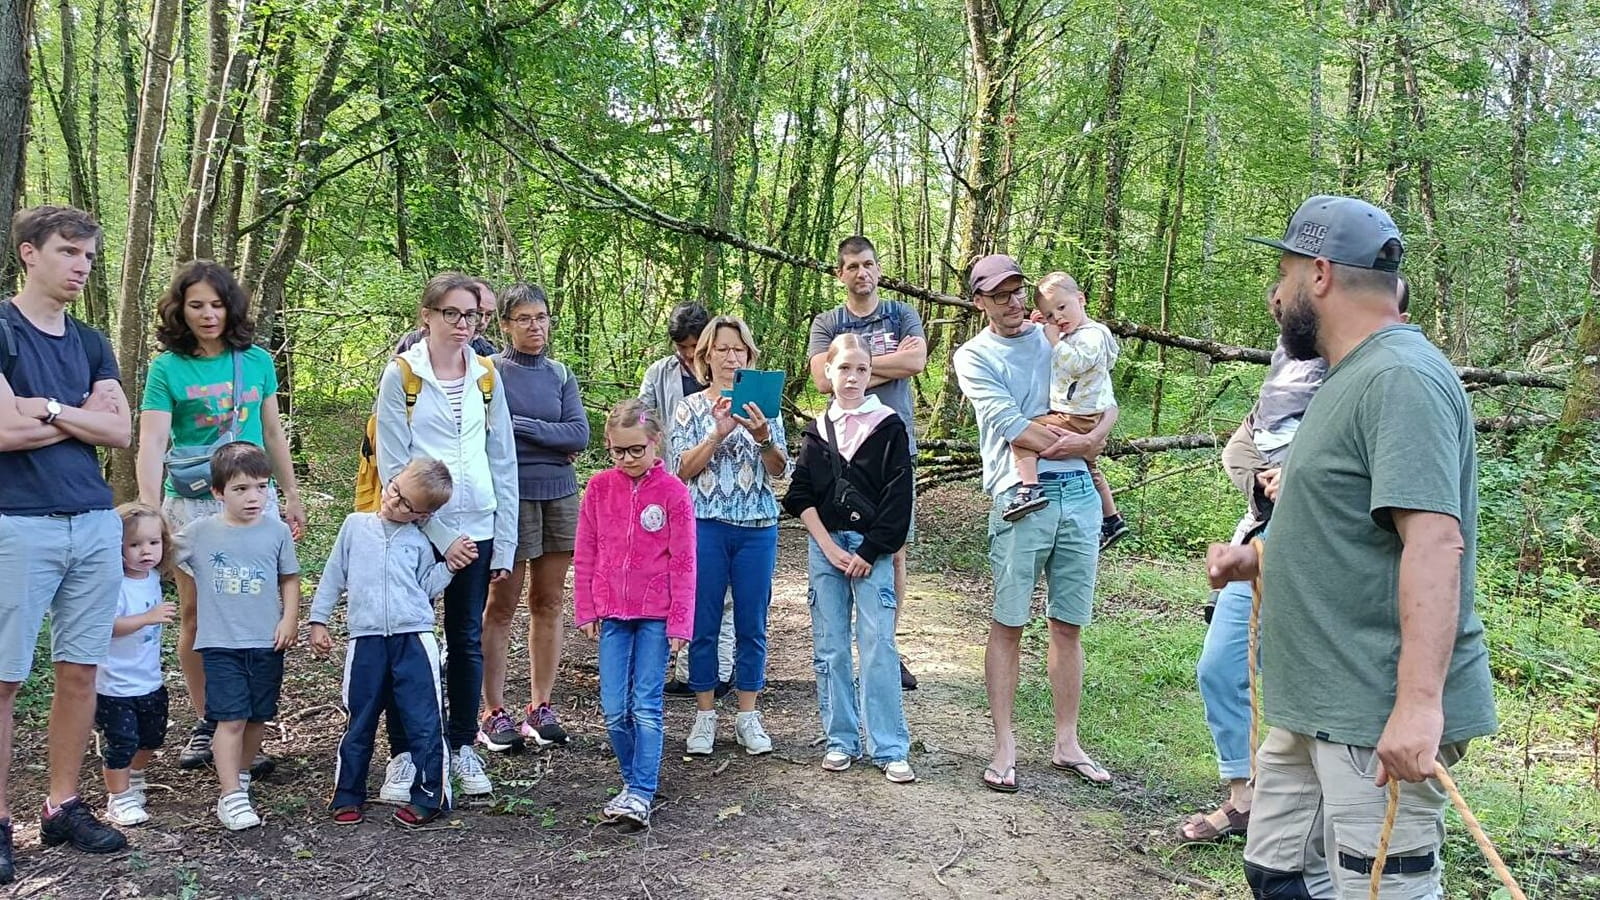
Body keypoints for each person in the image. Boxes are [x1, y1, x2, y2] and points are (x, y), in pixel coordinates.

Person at [1209, 196, 1494, 899]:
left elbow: (1434, 541)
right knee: (1277, 872)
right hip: (1316, 702)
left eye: (1285, 271)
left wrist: (1420, 706)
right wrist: (1259, 560)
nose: (1276, 294)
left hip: (1372, 711)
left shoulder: (1400, 377)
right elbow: (1352, 531)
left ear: (1322, 274)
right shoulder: (1347, 376)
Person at [1184, 275, 1413, 844]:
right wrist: (1261, 479)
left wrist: (1305, 477)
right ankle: (1244, 798)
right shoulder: (1291, 360)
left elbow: (1410, 513)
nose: (1281, 301)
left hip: (1331, 565)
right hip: (1264, 544)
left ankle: (1320, 818)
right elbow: (1245, 443)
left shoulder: (1385, 377)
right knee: (1221, 667)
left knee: (1307, 689)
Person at [0, 205, 134, 881]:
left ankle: (62, 807)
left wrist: (47, 408)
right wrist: (83, 418)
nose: (80, 265)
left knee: (80, 671)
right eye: (67, 252)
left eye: (87, 255)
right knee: (4, 678)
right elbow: (1, 432)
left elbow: (121, 432)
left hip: (92, 519)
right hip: (17, 521)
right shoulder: (1, 329)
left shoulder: (89, 341)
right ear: (29, 252)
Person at [952, 254, 1116, 793]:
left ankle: (1067, 742)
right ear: (980, 302)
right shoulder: (973, 356)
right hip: (1021, 495)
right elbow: (1011, 426)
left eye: (1019, 291)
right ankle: (1004, 745)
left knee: (1068, 623)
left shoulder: (1059, 335)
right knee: (1010, 619)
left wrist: (1093, 440)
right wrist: (1082, 443)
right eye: (1000, 295)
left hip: (1078, 495)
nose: (1014, 303)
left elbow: (1102, 395)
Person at [136, 259, 305, 776]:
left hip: (252, 495)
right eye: (196, 306)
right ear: (179, 310)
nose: (208, 315)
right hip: (193, 502)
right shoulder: (168, 368)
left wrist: (291, 493)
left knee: (254, 611)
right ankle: (210, 718)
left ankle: (246, 723)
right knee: (196, 614)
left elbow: (273, 432)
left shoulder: (255, 360)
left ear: (231, 307)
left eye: (216, 304)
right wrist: (149, 511)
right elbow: (153, 440)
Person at [373, 272, 517, 801]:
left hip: (477, 526)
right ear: (427, 316)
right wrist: (434, 529)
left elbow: (501, 458)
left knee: (466, 639)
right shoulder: (402, 377)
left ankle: (460, 746)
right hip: (415, 527)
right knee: (406, 642)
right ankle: (406, 754)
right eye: (452, 314)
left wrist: (502, 538)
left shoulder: (486, 375)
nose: (463, 324)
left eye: (472, 315)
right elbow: (394, 463)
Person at [784, 334, 916, 783]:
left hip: (871, 550)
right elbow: (800, 495)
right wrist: (829, 547)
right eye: (844, 369)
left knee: (878, 644)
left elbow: (900, 499)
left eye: (861, 369)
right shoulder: (818, 432)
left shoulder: (888, 425)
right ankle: (841, 738)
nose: (853, 378)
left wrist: (868, 551)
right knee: (831, 646)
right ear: (829, 373)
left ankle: (889, 746)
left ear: (870, 373)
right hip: (827, 551)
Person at [309, 459, 461, 828]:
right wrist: (318, 620)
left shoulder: (420, 540)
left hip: (414, 638)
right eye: (395, 490)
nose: (395, 503)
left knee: (424, 719)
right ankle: (347, 793)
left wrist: (451, 567)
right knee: (359, 719)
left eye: (409, 504)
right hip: (366, 640)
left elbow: (425, 588)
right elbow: (334, 575)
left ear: (424, 514)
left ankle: (430, 795)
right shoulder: (355, 526)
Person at [807, 236, 927, 690]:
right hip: (841, 455)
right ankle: (843, 645)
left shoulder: (900, 314)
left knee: (893, 549)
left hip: (893, 450)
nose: (863, 272)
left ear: (879, 269)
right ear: (841, 274)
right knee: (841, 542)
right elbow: (822, 379)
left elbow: (917, 360)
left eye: (870, 264)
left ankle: (886, 649)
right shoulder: (828, 321)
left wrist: (854, 369)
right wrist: (871, 370)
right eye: (853, 266)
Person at [670, 315, 789, 756]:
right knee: (702, 622)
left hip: (758, 527)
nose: (731, 356)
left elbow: (780, 472)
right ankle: (704, 716)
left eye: (738, 349)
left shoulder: (766, 406)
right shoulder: (691, 407)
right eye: (721, 349)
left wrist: (762, 437)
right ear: (706, 356)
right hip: (705, 525)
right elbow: (682, 470)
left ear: (750, 356)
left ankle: (747, 715)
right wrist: (716, 435)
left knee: (751, 623)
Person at [574, 399, 696, 829]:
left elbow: (684, 561)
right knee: (613, 709)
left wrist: (681, 620)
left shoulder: (674, 493)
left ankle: (642, 790)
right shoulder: (599, 488)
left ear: (655, 443)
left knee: (646, 706)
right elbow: (586, 550)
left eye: (636, 450)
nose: (627, 459)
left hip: (657, 616)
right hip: (613, 614)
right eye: (618, 451)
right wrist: (586, 608)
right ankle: (632, 783)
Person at [479, 284, 588, 753]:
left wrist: (521, 426)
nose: (535, 326)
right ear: (505, 324)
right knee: (500, 604)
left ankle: (540, 706)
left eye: (541, 317)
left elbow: (579, 435)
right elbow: (486, 435)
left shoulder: (561, 375)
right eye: (523, 318)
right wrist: (551, 437)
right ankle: (492, 710)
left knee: (548, 601)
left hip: (560, 496)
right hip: (509, 496)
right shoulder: (489, 373)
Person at [175, 442, 301, 831]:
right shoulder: (199, 533)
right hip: (220, 644)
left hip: (266, 642)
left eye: (261, 487)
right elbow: (157, 554)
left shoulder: (276, 531)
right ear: (217, 492)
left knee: (257, 717)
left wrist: (290, 619)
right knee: (229, 719)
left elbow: (290, 578)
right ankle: (230, 796)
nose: (254, 497)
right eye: (241, 489)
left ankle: (241, 777)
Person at [639, 302, 735, 698]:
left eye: (695, 346)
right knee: (677, 576)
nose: (688, 354)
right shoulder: (660, 374)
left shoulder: (733, 374)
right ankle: (683, 666)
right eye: (682, 347)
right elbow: (643, 420)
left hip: (722, 497)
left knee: (722, 588)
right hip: (671, 486)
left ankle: (721, 670)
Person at [1005, 273, 1129, 551]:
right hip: (1085, 414)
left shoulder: (1092, 335)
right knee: (1091, 465)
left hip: (1076, 415)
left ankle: (1030, 487)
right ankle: (1112, 519)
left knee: (1020, 434)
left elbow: (1076, 363)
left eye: (1062, 308)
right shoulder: (1076, 333)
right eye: (1050, 315)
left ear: (1081, 299)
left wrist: (1054, 340)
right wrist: (1042, 325)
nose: (1057, 318)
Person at [95, 503, 176, 827]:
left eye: (153, 543)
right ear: (116, 546)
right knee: (122, 742)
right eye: (135, 544)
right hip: (114, 684)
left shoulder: (153, 577)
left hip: (149, 679)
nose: (146, 551)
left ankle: (135, 774)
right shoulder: (114, 583)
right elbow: (106, 626)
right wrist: (147, 618)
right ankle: (119, 797)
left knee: (152, 738)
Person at [396, 278, 499, 356]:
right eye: (476, 312)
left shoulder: (487, 354)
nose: (482, 321)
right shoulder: (412, 341)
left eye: (488, 315)